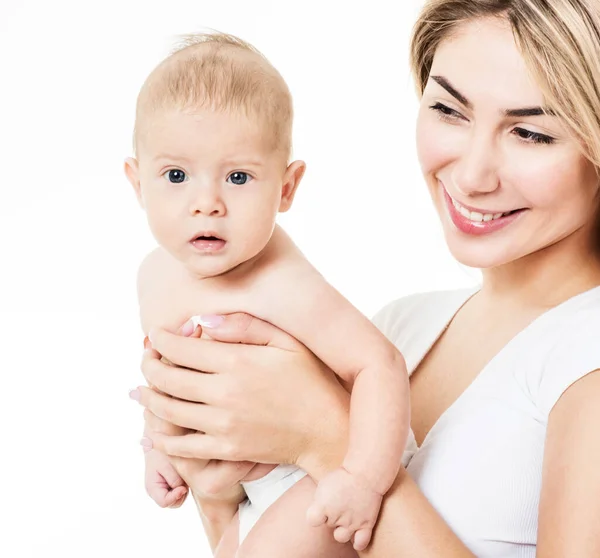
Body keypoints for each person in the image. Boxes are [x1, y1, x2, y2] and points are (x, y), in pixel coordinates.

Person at [131, 0, 600, 555]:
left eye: (531, 133)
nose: (471, 175)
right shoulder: (403, 323)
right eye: (451, 111)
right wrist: (208, 478)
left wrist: (327, 442)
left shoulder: (584, 355)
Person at [124, 32, 413, 556]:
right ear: (137, 182)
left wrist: (362, 479)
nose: (206, 203)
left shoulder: (282, 282)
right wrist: (160, 447)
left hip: (320, 470)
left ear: (286, 187)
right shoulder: (153, 274)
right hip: (243, 480)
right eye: (175, 175)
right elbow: (171, 378)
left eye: (238, 176)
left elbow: (381, 364)